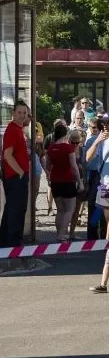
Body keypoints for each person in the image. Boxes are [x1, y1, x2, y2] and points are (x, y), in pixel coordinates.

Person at [44, 124, 82, 242]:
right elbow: (74, 167)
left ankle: (58, 234)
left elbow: (48, 165)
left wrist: (49, 175)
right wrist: (79, 181)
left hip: (55, 181)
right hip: (67, 181)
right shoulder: (68, 148)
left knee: (60, 210)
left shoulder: (51, 148)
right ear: (66, 134)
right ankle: (62, 234)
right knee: (69, 210)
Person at [0, 102, 30, 248]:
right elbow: (7, 155)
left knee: (12, 209)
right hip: (15, 177)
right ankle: (13, 244)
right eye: (20, 112)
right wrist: (20, 172)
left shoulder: (19, 129)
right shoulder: (12, 130)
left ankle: (6, 241)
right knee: (16, 210)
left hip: (17, 176)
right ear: (13, 113)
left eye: (25, 113)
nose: (22, 115)